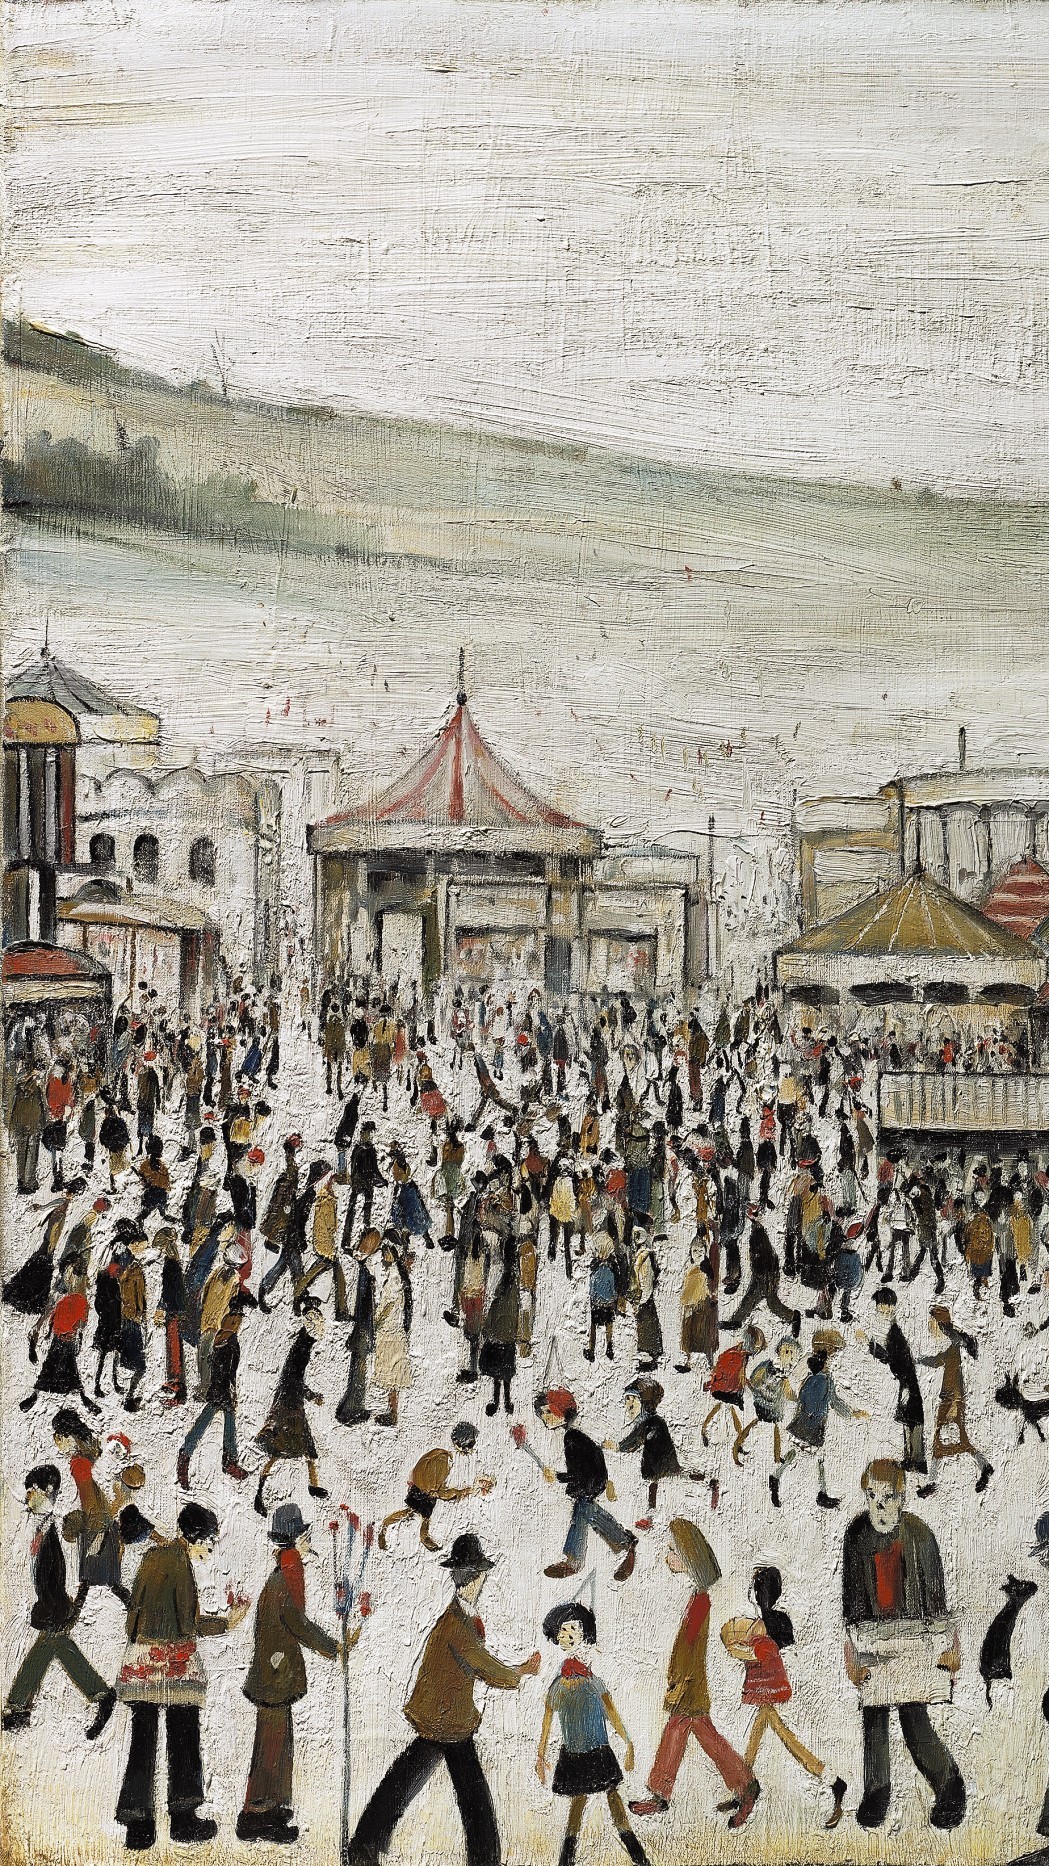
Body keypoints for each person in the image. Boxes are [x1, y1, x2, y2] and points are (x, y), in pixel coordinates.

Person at [346, 1533, 540, 1866]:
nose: (482, 1581)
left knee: (412, 1782)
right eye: (481, 1576)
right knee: (469, 1795)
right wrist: (520, 1672)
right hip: (445, 1721)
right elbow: (482, 1665)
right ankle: (482, 1859)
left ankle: (363, 1846)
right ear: (475, 1579)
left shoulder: (459, 1617)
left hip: (445, 1717)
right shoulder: (457, 1624)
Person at [115, 1502, 250, 1850]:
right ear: (196, 1538)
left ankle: (138, 1825)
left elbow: (132, 1617)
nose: (210, 1548)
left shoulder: (151, 1557)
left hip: (142, 1659)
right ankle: (183, 1820)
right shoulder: (181, 1564)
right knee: (184, 1737)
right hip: (174, 1663)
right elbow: (189, 1624)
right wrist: (227, 1622)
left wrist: (145, 1639)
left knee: (142, 1741)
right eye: (209, 1541)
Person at [842, 1458, 965, 1831]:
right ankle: (877, 1792)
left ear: (902, 1497)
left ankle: (949, 1786)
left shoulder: (920, 1536)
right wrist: (852, 1656)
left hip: (914, 1641)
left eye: (888, 1498)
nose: (879, 1507)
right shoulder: (856, 1536)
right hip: (874, 1640)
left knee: (915, 1719)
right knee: (874, 1716)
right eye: (872, 1497)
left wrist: (951, 1648)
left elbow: (938, 1604)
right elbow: (851, 1608)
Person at [628, 1518, 759, 1829]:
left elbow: (691, 1652)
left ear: (689, 1557)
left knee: (685, 1734)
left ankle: (665, 1794)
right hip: (688, 1684)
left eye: (673, 1551)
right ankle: (744, 1786)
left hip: (690, 1685)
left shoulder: (700, 1602)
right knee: (700, 1736)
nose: (668, 1557)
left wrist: (681, 1683)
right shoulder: (696, 1598)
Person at [237, 1504, 348, 1844]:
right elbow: (297, 1623)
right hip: (273, 1677)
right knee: (272, 1748)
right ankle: (256, 1815)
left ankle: (273, 1808)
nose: (309, 1540)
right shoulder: (287, 1574)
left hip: (276, 1674)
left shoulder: (287, 1570)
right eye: (305, 1535)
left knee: (280, 1746)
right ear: (296, 1538)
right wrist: (333, 1648)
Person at [720, 1566, 846, 1828]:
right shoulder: (766, 1624)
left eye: (756, 1590)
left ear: (760, 1594)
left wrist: (732, 1646)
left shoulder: (766, 1629)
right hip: (768, 1691)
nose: (754, 1595)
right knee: (759, 1735)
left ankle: (831, 1779)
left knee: (787, 1739)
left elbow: (751, 1654)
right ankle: (745, 1788)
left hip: (772, 1689)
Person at [2, 1463, 115, 1739]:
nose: (28, 1496)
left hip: (56, 1607)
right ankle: (100, 1695)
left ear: (49, 1491)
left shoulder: (58, 1532)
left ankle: (18, 1707)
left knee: (47, 1649)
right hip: (52, 1607)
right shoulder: (41, 1529)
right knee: (56, 1649)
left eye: (33, 1490)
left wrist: (65, 1606)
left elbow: (66, 1574)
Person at [536, 1597, 648, 1866]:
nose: (568, 1635)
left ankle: (637, 1855)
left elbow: (611, 1713)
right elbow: (547, 1721)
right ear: (556, 1637)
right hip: (574, 1753)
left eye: (573, 1629)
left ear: (584, 1633)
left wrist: (628, 1742)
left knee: (613, 1798)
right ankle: (566, 1859)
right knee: (578, 1804)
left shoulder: (594, 1682)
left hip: (599, 1751)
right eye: (563, 1631)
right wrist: (540, 1755)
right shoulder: (557, 1687)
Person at [535, 1388, 637, 1582]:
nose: (545, 1417)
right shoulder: (572, 1435)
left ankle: (583, 1557)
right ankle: (620, 1543)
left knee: (583, 1509)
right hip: (591, 1482)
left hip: (590, 1483)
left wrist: (556, 1476)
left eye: (549, 1411)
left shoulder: (572, 1437)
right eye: (543, 1413)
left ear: (562, 1412)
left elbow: (578, 1474)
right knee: (584, 1511)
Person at [770, 1330, 868, 1511]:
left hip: (807, 1421)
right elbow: (833, 1402)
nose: (835, 1360)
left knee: (797, 1453)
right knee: (817, 1458)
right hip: (812, 1424)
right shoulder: (824, 1379)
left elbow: (804, 1396)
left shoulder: (813, 1377)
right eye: (834, 1356)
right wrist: (852, 1414)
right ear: (827, 1357)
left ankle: (777, 1477)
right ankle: (820, 1493)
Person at [255, 1300, 330, 1513]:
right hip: (290, 1410)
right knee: (285, 1450)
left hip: (291, 1407)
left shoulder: (302, 1345)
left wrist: (310, 1396)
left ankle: (312, 1485)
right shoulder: (302, 1348)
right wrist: (311, 1395)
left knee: (299, 1450)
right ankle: (260, 1492)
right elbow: (293, 1380)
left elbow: (294, 1379)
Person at [378, 1422, 495, 1553]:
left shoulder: (442, 1454)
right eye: (468, 1447)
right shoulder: (444, 1459)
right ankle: (388, 1526)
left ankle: (422, 1537)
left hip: (423, 1487)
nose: (469, 1451)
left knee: (422, 1516)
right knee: (414, 1513)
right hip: (425, 1490)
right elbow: (439, 1491)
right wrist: (461, 1492)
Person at [177, 1288, 252, 1486]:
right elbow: (229, 1369)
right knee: (218, 1419)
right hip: (223, 1388)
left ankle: (188, 1455)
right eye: (238, 1317)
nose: (239, 1322)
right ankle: (222, 1460)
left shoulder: (221, 1334)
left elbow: (214, 1363)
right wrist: (231, 1390)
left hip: (218, 1386)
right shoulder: (231, 1338)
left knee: (217, 1419)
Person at [916, 1304, 993, 1496]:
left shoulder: (954, 1348)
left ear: (940, 1325)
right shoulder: (953, 1347)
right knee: (948, 1440)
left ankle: (935, 1481)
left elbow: (946, 1370)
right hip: (950, 1400)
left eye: (932, 1324)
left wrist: (953, 1405)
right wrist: (919, 1360)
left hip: (951, 1400)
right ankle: (984, 1466)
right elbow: (937, 1361)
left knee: (948, 1440)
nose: (930, 1327)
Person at [860, 1287, 927, 1474]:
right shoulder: (891, 1329)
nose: (882, 1310)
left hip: (908, 1384)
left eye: (885, 1306)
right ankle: (910, 1458)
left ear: (891, 1306)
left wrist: (870, 1345)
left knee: (914, 1422)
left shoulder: (895, 1332)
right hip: (905, 1383)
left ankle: (917, 1460)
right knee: (908, 1422)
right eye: (880, 1306)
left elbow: (894, 1360)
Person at [607, 1379, 681, 1525]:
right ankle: (651, 1516)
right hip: (657, 1472)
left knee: (656, 1489)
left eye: (633, 1399)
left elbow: (634, 1441)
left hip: (663, 1472)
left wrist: (617, 1446)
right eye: (627, 1399)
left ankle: (651, 1517)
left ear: (645, 1403)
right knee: (653, 1488)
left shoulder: (653, 1422)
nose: (628, 1405)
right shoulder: (649, 1422)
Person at [335, 1227, 380, 1426]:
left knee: (358, 1369)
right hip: (359, 1327)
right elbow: (353, 1300)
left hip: (362, 1326)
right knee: (359, 1369)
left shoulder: (362, 1268)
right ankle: (351, 1409)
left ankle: (351, 1407)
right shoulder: (357, 1268)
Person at [372, 1235, 414, 1426]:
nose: (383, 1257)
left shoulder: (395, 1276)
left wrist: (376, 1322)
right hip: (395, 1330)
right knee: (393, 1375)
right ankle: (392, 1411)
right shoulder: (397, 1274)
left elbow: (388, 1304)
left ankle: (393, 1413)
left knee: (391, 1373)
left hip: (390, 1330)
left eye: (385, 1253)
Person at [676, 1242, 718, 1375]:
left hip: (702, 1305)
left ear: (705, 1252)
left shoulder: (707, 1270)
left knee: (702, 1333)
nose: (698, 1253)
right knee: (687, 1334)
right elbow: (686, 1288)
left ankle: (710, 1362)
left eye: (701, 1250)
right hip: (689, 1305)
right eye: (695, 1251)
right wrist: (685, 1304)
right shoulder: (690, 1269)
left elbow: (710, 1289)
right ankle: (687, 1361)